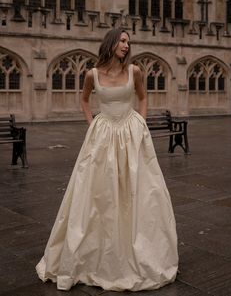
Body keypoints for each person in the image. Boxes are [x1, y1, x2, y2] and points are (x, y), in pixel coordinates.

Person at [36, 27, 178, 292]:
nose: (127, 45)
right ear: (112, 43)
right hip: (102, 135)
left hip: (131, 132)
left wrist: (141, 124)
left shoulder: (134, 71)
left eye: (129, 41)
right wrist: (92, 125)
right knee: (97, 193)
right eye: (123, 40)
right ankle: (94, 256)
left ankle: (137, 252)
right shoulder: (92, 74)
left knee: (140, 190)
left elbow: (143, 97)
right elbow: (84, 100)